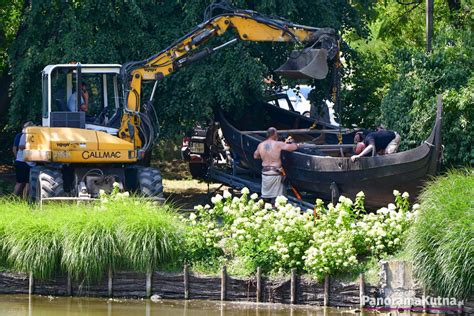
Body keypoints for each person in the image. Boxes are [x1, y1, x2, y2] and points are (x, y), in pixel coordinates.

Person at [253, 127, 299, 203]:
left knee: (266, 197)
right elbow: (292, 147)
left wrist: (265, 157)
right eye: (276, 134)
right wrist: (295, 143)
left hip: (265, 173)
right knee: (277, 199)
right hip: (275, 173)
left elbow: (255, 156)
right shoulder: (278, 144)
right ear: (274, 134)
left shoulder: (261, 145)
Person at [13, 121, 35, 197]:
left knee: (28, 182)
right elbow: (20, 147)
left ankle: (25, 200)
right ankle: (13, 198)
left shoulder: (33, 135)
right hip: (22, 161)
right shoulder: (23, 135)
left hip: (30, 162)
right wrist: (32, 146)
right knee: (20, 182)